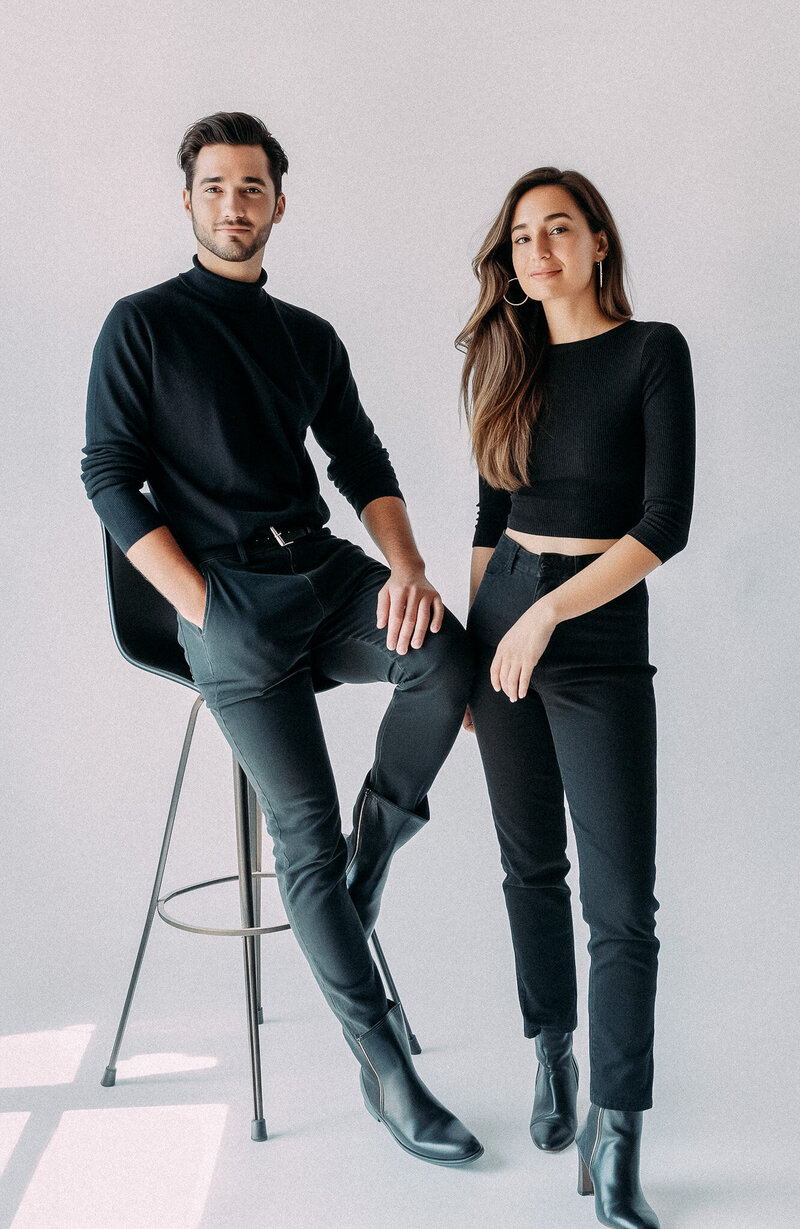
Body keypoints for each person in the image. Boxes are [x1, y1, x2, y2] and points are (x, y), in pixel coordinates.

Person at [82, 111, 482, 1167]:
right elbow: (106, 476)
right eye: (215, 186)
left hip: (322, 568)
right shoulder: (142, 325)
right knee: (296, 840)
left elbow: (363, 460)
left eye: (252, 186)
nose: (234, 204)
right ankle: (385, 1062)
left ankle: (374, 850)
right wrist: (199, 601)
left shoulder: (307, 334)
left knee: (446, 655)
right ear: (189, 200)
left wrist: (406, 568)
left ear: (277, 202)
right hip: (224, 601)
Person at [458, 167, 695, 1227]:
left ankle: (617, 1134)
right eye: (520, 236)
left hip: (589, 625)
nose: (537, 248)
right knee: (526, 863)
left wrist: (551, 613)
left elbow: (663, 522)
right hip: (499, 606)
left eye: (558, 227)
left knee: (621, 904)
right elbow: (482, 514)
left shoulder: (652, 352)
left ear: (597, 240)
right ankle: (548, 1051)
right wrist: (479, 647)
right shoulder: (504, 361)